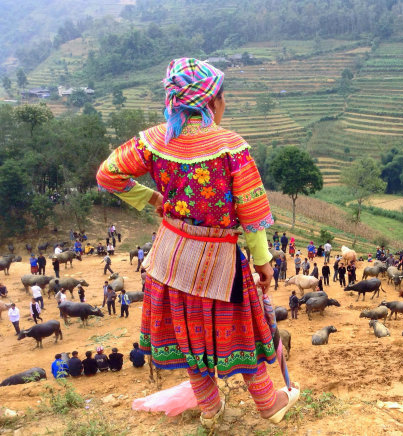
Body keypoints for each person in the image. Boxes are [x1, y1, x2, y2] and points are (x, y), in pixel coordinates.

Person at [96, 59, 299, 427]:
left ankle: (211, 409)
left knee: (188, 335)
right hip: (219, 261)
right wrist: (263, 261)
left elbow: (107, 174)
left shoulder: (155, 140)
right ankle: (269, 404)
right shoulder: (230, 146)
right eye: (223, 99)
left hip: (170, 259)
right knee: (244, 330)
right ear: (213, 102)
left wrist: (152, 199)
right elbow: (250, 212)